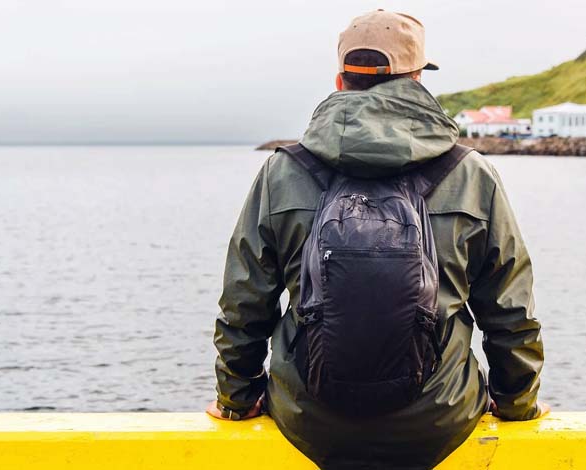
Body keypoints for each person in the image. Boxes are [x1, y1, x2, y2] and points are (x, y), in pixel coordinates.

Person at [208, 10, 547, 469]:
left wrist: (237, 397)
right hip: (441, 419)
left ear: (340, 79)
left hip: (308, 421)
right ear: (415, 78)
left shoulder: (282, 172)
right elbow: (509, 311)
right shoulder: (470, 174)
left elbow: (245, 302)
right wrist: (515, 402)